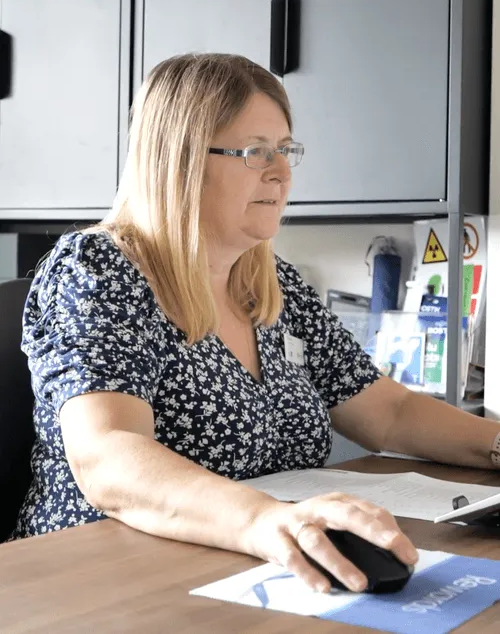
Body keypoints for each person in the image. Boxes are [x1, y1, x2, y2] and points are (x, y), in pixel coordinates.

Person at [10, 53, 500, 595]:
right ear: (181, 160)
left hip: (248, 571)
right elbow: (109, 457)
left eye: (286, 150)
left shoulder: (273, 285)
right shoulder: (100, 268)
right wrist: (264, 521)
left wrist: (497, 444)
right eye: (255, 153)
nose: (282, 172)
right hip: (100, 582)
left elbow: (388, 410)